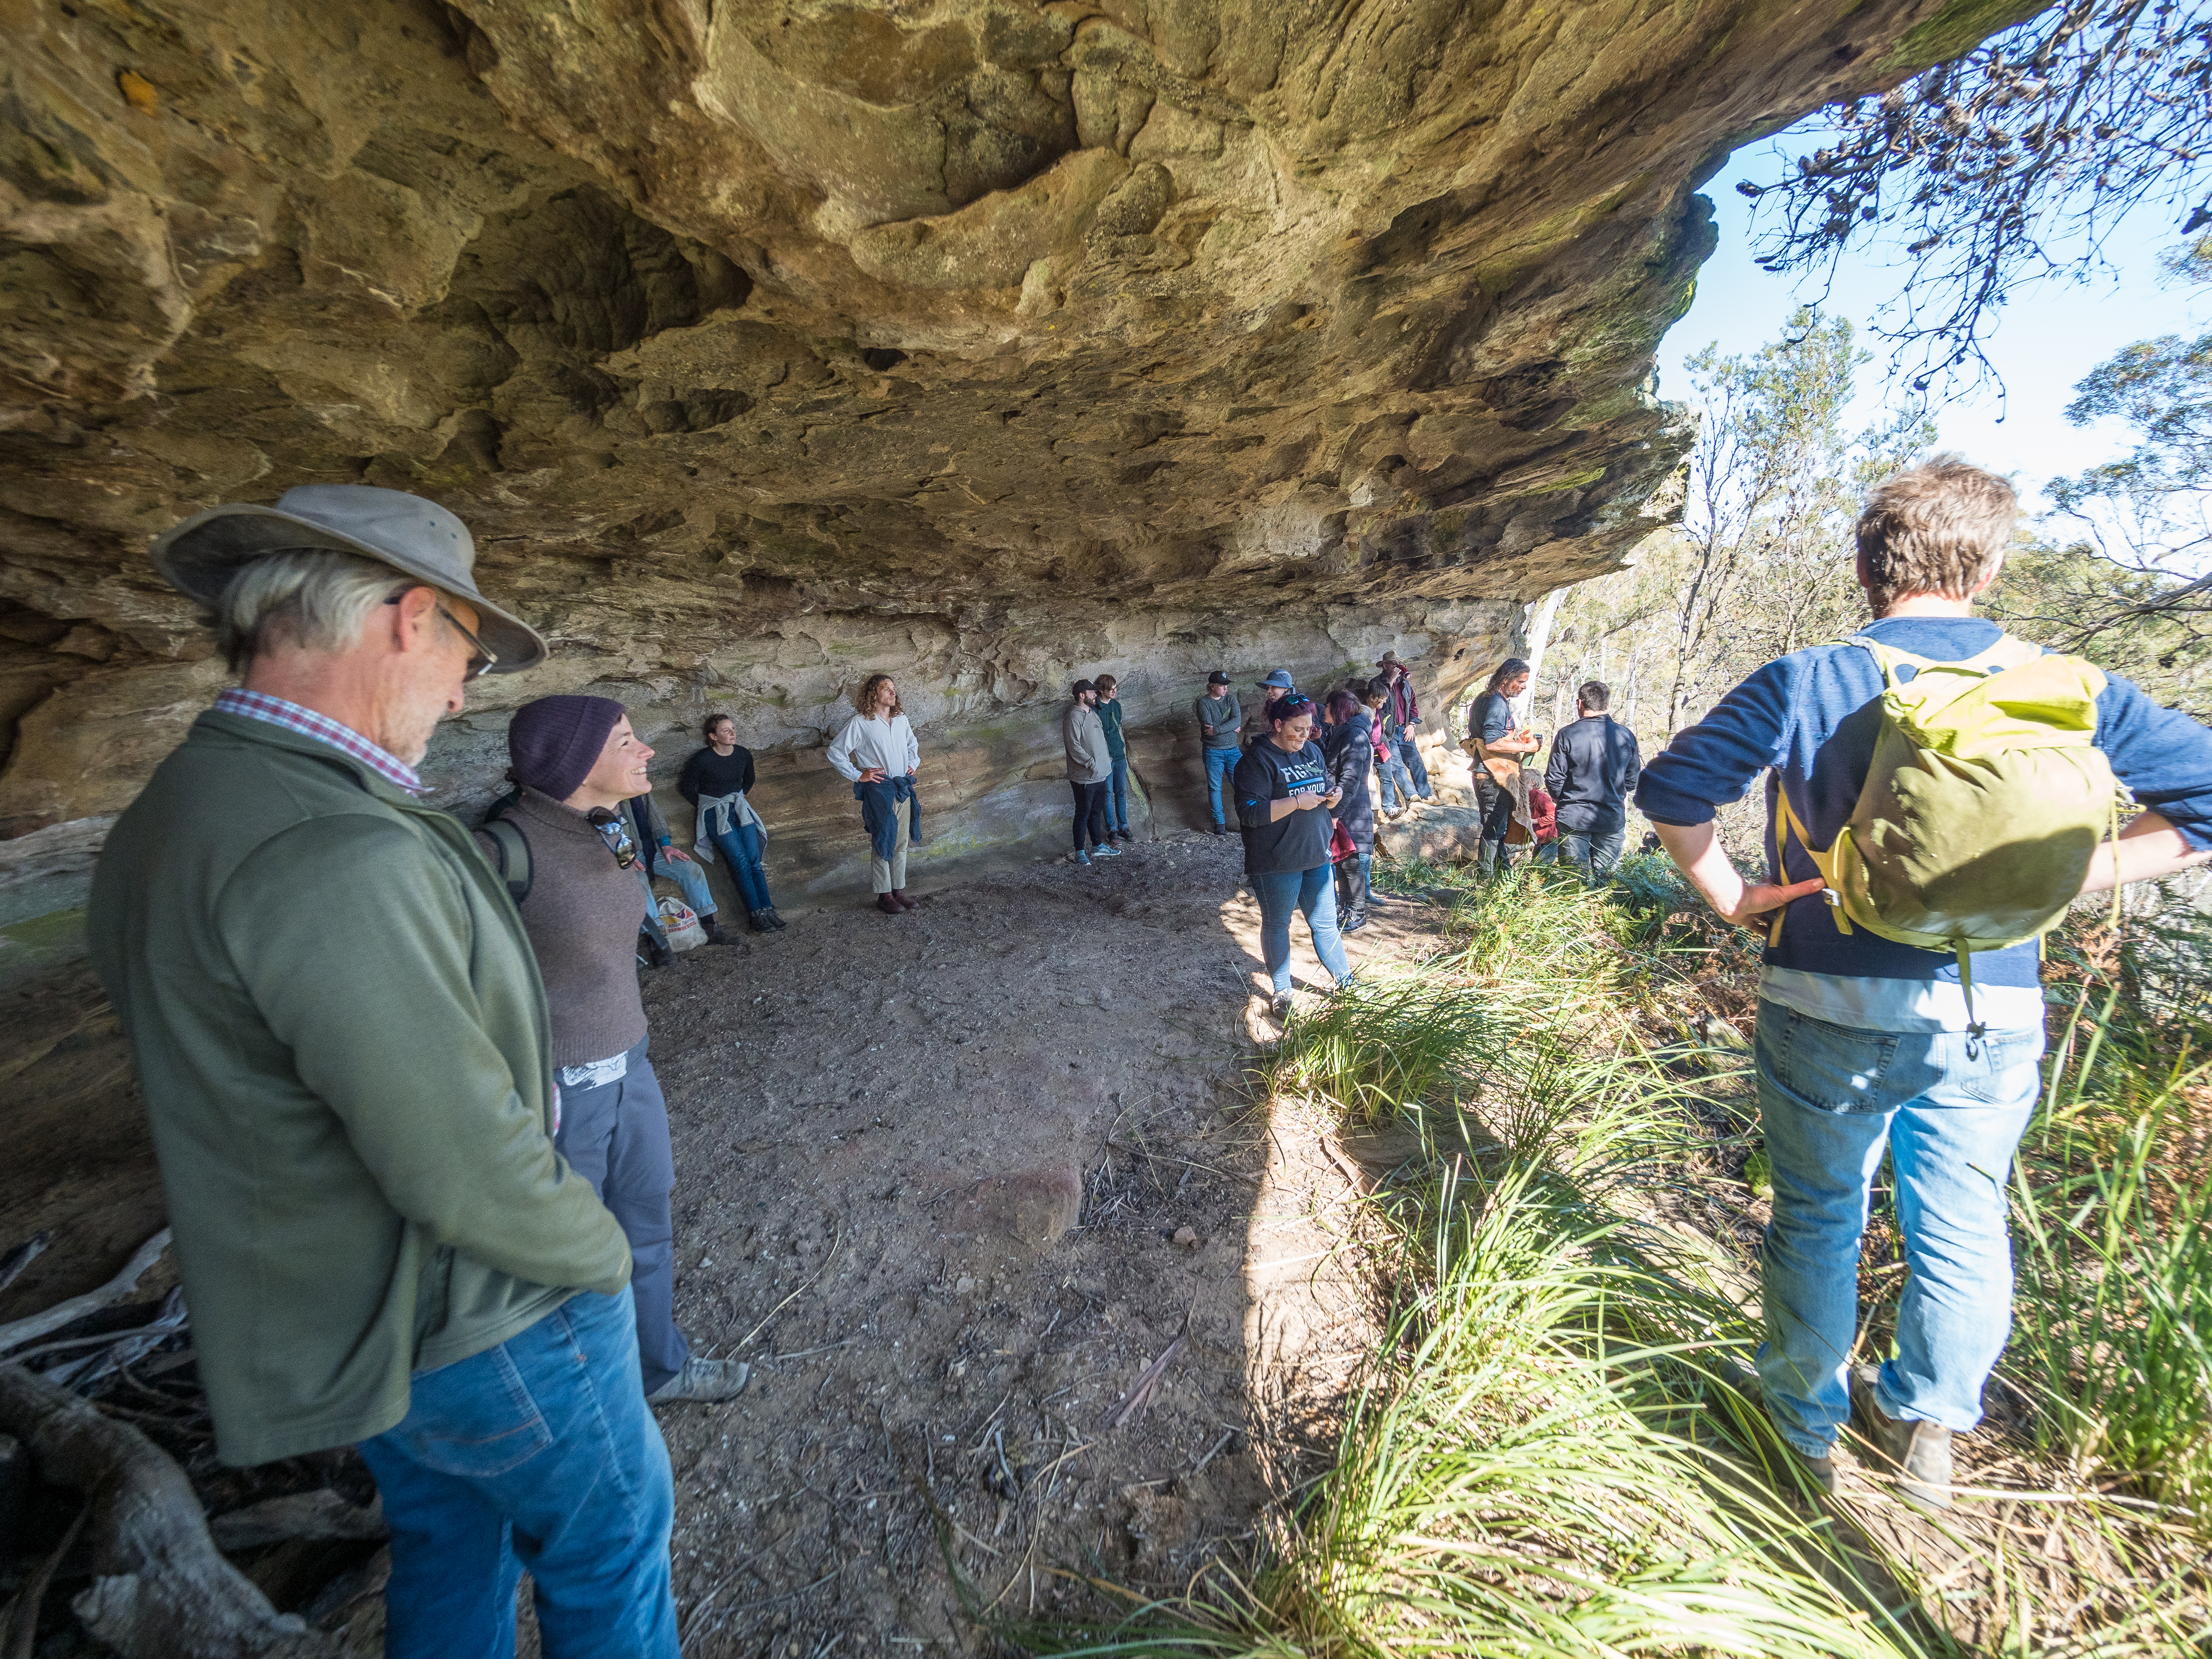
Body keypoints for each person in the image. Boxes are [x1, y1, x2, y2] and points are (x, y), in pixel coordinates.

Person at [87, 484, 679, 1657]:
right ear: (413, 618)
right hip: (482, 1307)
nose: (464, 692)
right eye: (467, 649)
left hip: (352, 1313)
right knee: (610, 1540)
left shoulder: (189, 807)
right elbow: (455, 1152)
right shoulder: (328, 842)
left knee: (451, 1540)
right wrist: (596, 1257)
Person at [1637, 456, 2212, 1510]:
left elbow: (1672, 788)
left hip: (1826, 991)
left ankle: (1799, 1428)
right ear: (1985, 569)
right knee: (1961, 1214)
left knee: (1816, 1213)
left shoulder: (1811, 677)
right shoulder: (2064, 684)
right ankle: (1922, 1425)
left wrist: (1730, 895)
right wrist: (2075, 875)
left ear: (1866, 562)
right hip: (1991, 1007)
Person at [477, 696, 746, 1409]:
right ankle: (582, 1400)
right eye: (626, 739)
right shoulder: (502, 851)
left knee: (647, 1228)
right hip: (558, 1092)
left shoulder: (610, 827)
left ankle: (657, 1369)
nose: (646, 750)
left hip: (631, 1067)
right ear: (575, 761)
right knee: (569, 1254)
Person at [1233, 691, 1354, 1019]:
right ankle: (1283, 991)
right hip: (1276, 861)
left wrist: (1334, 794)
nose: (1304, 735)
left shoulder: (1312, 751)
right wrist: (1298, 802)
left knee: (1327, 925)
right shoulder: (1257, 761)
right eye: (1297, 729)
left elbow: (1324, 783)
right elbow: (1250, 813)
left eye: (1309, 729)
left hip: (1316, 854)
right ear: (1277, 724)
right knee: (1278, 924)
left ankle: (1348, 985)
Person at [678, 712, 783, 931]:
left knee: (755, 861)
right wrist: (707, 805)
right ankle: (756, 916)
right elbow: (686, 787)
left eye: (733, 728)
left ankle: (768, 911)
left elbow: (749, 779)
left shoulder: (743, 754)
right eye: (726, 730)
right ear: (713, 737)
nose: (733, 733)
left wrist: (738, 798)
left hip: (740, 810)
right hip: (715, 813)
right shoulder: (702, 759)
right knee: (741, 862)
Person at [827, 672, 921, 914]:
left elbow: (913, 745)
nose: (893, 693)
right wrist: (858, 775)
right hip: (880, 790)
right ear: (874, 694)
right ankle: (885, 895)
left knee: (900, 842)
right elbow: (836, 751)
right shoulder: (861, 723)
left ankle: (899, 891)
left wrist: (913, 763)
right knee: (883, 840)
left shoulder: (901, 719)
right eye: (886, 689)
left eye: (894, 688)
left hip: (902, 787)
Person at [1543, 679, 1642, 885]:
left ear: (1580, 704)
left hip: (1574, 816)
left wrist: (1565, 800)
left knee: (1573, 881)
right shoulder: (1626, 736)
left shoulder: (1567, 734)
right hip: (1611, 816)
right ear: (1607, 706)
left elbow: (1554, 778)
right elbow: (1632, 780)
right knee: (1606, 883)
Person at [1466, 656, 1540, 877]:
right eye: (1521, 681)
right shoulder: (1497, 704)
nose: (1524, 686)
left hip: (1488, 773)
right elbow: (1491, 742)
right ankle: (1485, 883)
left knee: (1497, 829)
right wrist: (1527, 748)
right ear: (1507, 679)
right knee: (1494, 829)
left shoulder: (1486, 698)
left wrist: (1517, 740)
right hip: (1492, 775)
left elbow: (1495, 736)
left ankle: (1503, 878)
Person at [627, 786, 728, 942]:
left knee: (691, 869)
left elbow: (654, 815)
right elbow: (607, 831)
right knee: (639, 881)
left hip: (651, 849)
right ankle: (657, 941)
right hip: (623, 854)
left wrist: (666, 845)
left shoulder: (638, 784)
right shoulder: (604, 792)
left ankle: (710, 927)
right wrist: (625, 856)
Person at [1318, 686, 1377, 932]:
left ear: (1339, 709)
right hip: (1342, 808)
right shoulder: (1343, 730)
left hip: (1350, 811)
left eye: (1329, 706)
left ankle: (1358, 914)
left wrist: (1336, 814)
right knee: (1342, 861)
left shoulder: (1355, 735)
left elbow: (1350, 779)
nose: (1325, 710)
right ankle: (1346, 910)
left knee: (1351, 864)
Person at [1063, 678, 1121, 866]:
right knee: (1083, 813)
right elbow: (1074, 746)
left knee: (1096, 811)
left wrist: (1106, 762)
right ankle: (1080, 851)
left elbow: (1100, 741)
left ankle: (1097, 847)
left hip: (1100, 773)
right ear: (1082, 695)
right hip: (1084, 777)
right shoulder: (1074, 717)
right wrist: (1091, 764)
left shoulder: (1093, 714)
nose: (1095, 695)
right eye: (1091, 692)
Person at [1377, 652, 1433, 803]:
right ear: (1386, 666)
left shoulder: (1405, 684)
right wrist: (1392, 679)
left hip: (1405, 730)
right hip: (1388, 731)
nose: (1398, 666)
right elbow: (1378, 700)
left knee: (1416, 761)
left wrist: (1412, 725)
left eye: (1399, 663)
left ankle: (1426, 795)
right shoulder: (1377, 683)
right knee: (1396, 764)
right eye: (1394, 664)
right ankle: (1412, 796)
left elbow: (1413, 706)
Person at [1195, 669, 1242, 834]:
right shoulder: (1203, 703)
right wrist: (1231, 728)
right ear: (1212, 686)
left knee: (1242, 785)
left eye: (1226, 685)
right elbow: (1209, 726)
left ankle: (1245, 819)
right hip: (1213, 751)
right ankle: (1220, 824)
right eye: (1222, 685)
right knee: (1215, 787)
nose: (1226, 688)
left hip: (1233, 751)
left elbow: (1237, 720)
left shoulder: (1231, 699)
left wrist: (1219, 729)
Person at [1361, 677, 1415, 816]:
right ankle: (1368, 813)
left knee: (1387, 777)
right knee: (1367, 780)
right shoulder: (1361, 711)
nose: (1385, 702)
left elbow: (1386, 695)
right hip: (1367, 750)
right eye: (1382, 699)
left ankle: (1390, 808)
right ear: (1372, 697)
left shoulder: (1381, 709)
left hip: (1382, 746)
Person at [1094, 672, 1134, 844]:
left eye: (1115, 688)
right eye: (1110, 689)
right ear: (1101, 690)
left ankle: (1124, 827)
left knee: (1121, 792)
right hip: (1106, 758)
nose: (1114, 691)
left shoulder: (1116, 706)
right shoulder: (1095, 708)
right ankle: (1112, 830)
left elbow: (1118, 728)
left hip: (1119, 755)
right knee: (1108, 793)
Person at [1242, 669, 1295, 744]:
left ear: (1286, 688)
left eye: (1274, 687)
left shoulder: (1297, 708)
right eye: (1268, 687)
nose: (1268, 691)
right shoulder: (1272, 705)